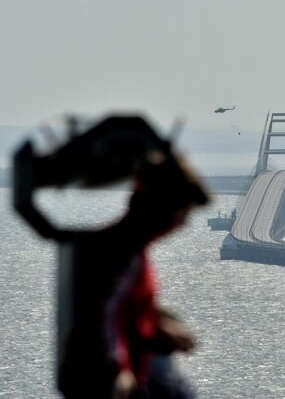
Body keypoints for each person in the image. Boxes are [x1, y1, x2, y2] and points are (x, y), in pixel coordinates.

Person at [57, 152, 208, 399]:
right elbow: (101, 314)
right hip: (107, 378)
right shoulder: (121, 253)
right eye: (183, 213)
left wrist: (159, 327)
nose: (182, 224)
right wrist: (118, 368)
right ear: (163, 208)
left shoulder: (131, 252)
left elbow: (125, 311)